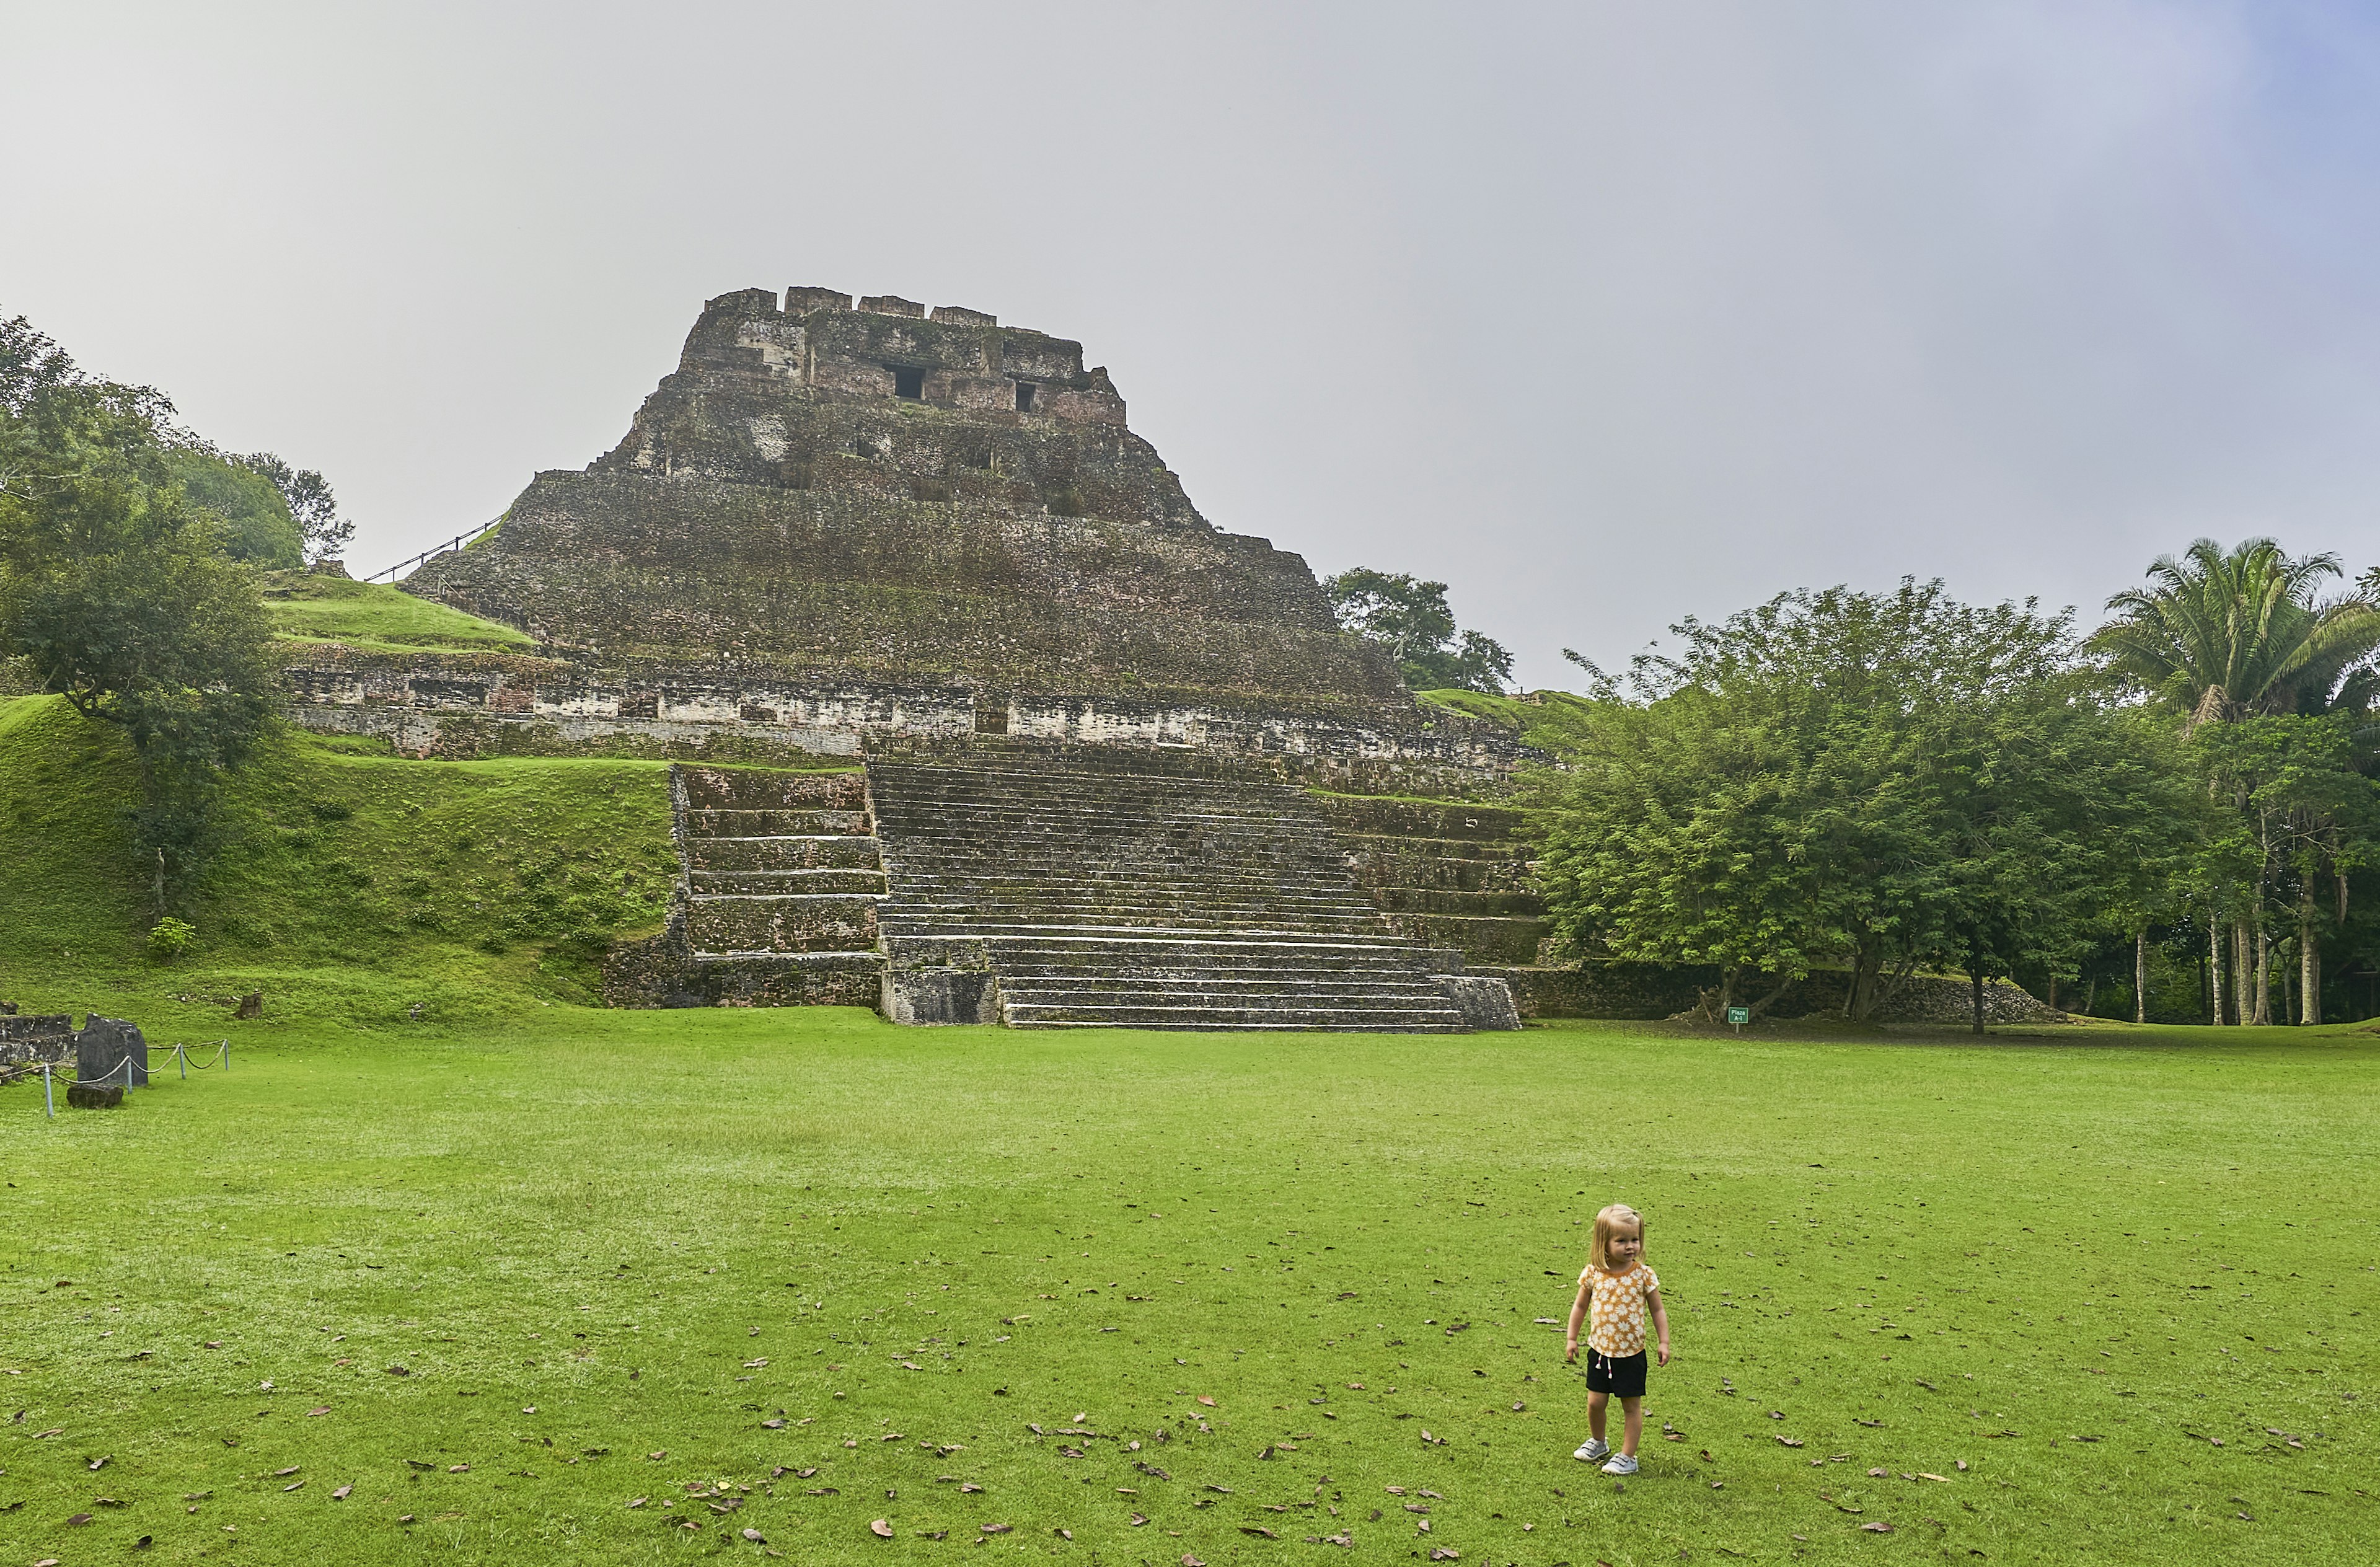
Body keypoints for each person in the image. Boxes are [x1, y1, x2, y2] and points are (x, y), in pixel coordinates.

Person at [1564, 1202, 1670, 1475]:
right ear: (1604, 1243)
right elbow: (1580, 1307)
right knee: (1595, 1402)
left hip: (1631, 1354)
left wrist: (1664, 1342)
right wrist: (1572, 1338)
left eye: (1635, 1239)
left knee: (1631, 1406)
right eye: (1621, 1240)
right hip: (1600, 1352)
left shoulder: (1643, 1275)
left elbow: (1657, 1309)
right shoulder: (1593, 1274)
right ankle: (1599, 1442)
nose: (1630, 1246)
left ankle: (1628, 1456)